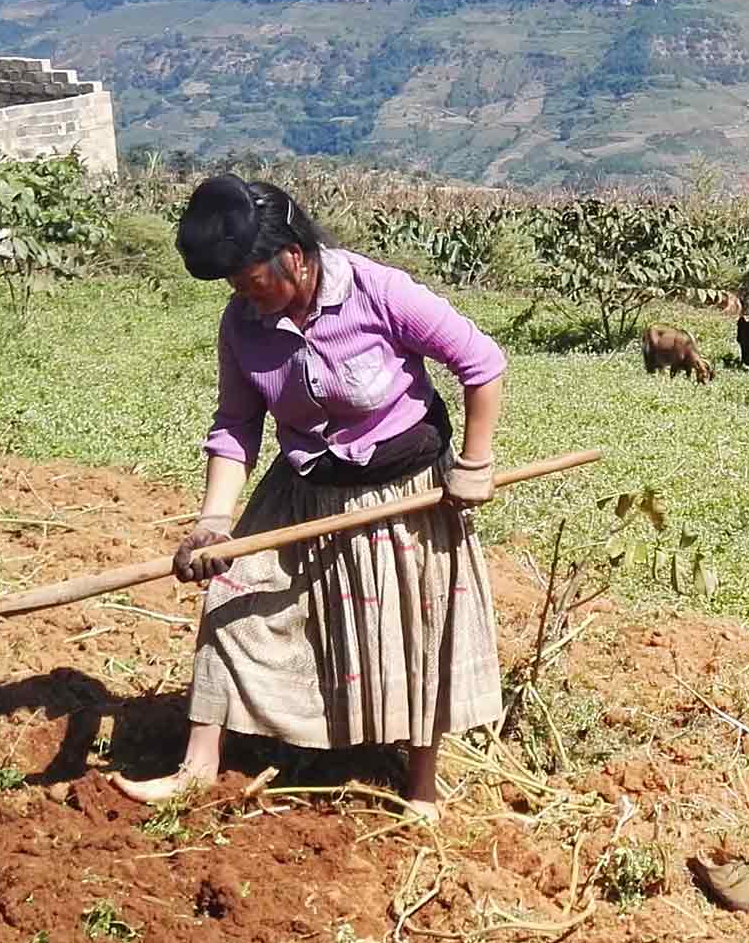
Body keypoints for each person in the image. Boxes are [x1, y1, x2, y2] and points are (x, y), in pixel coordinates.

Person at [108, 173, 507, 822]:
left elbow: (482, 365)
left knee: (416, 625)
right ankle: (197, 767)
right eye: (236, 288)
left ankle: (422, 789)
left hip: (404, 490)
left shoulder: (377, 291)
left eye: (253, 281)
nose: (249, 300)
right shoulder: (242, 325)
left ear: (293, 253)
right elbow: (237, 426)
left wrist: (476, 463)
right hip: (305, 487)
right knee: (230, 596)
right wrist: (214, 522)